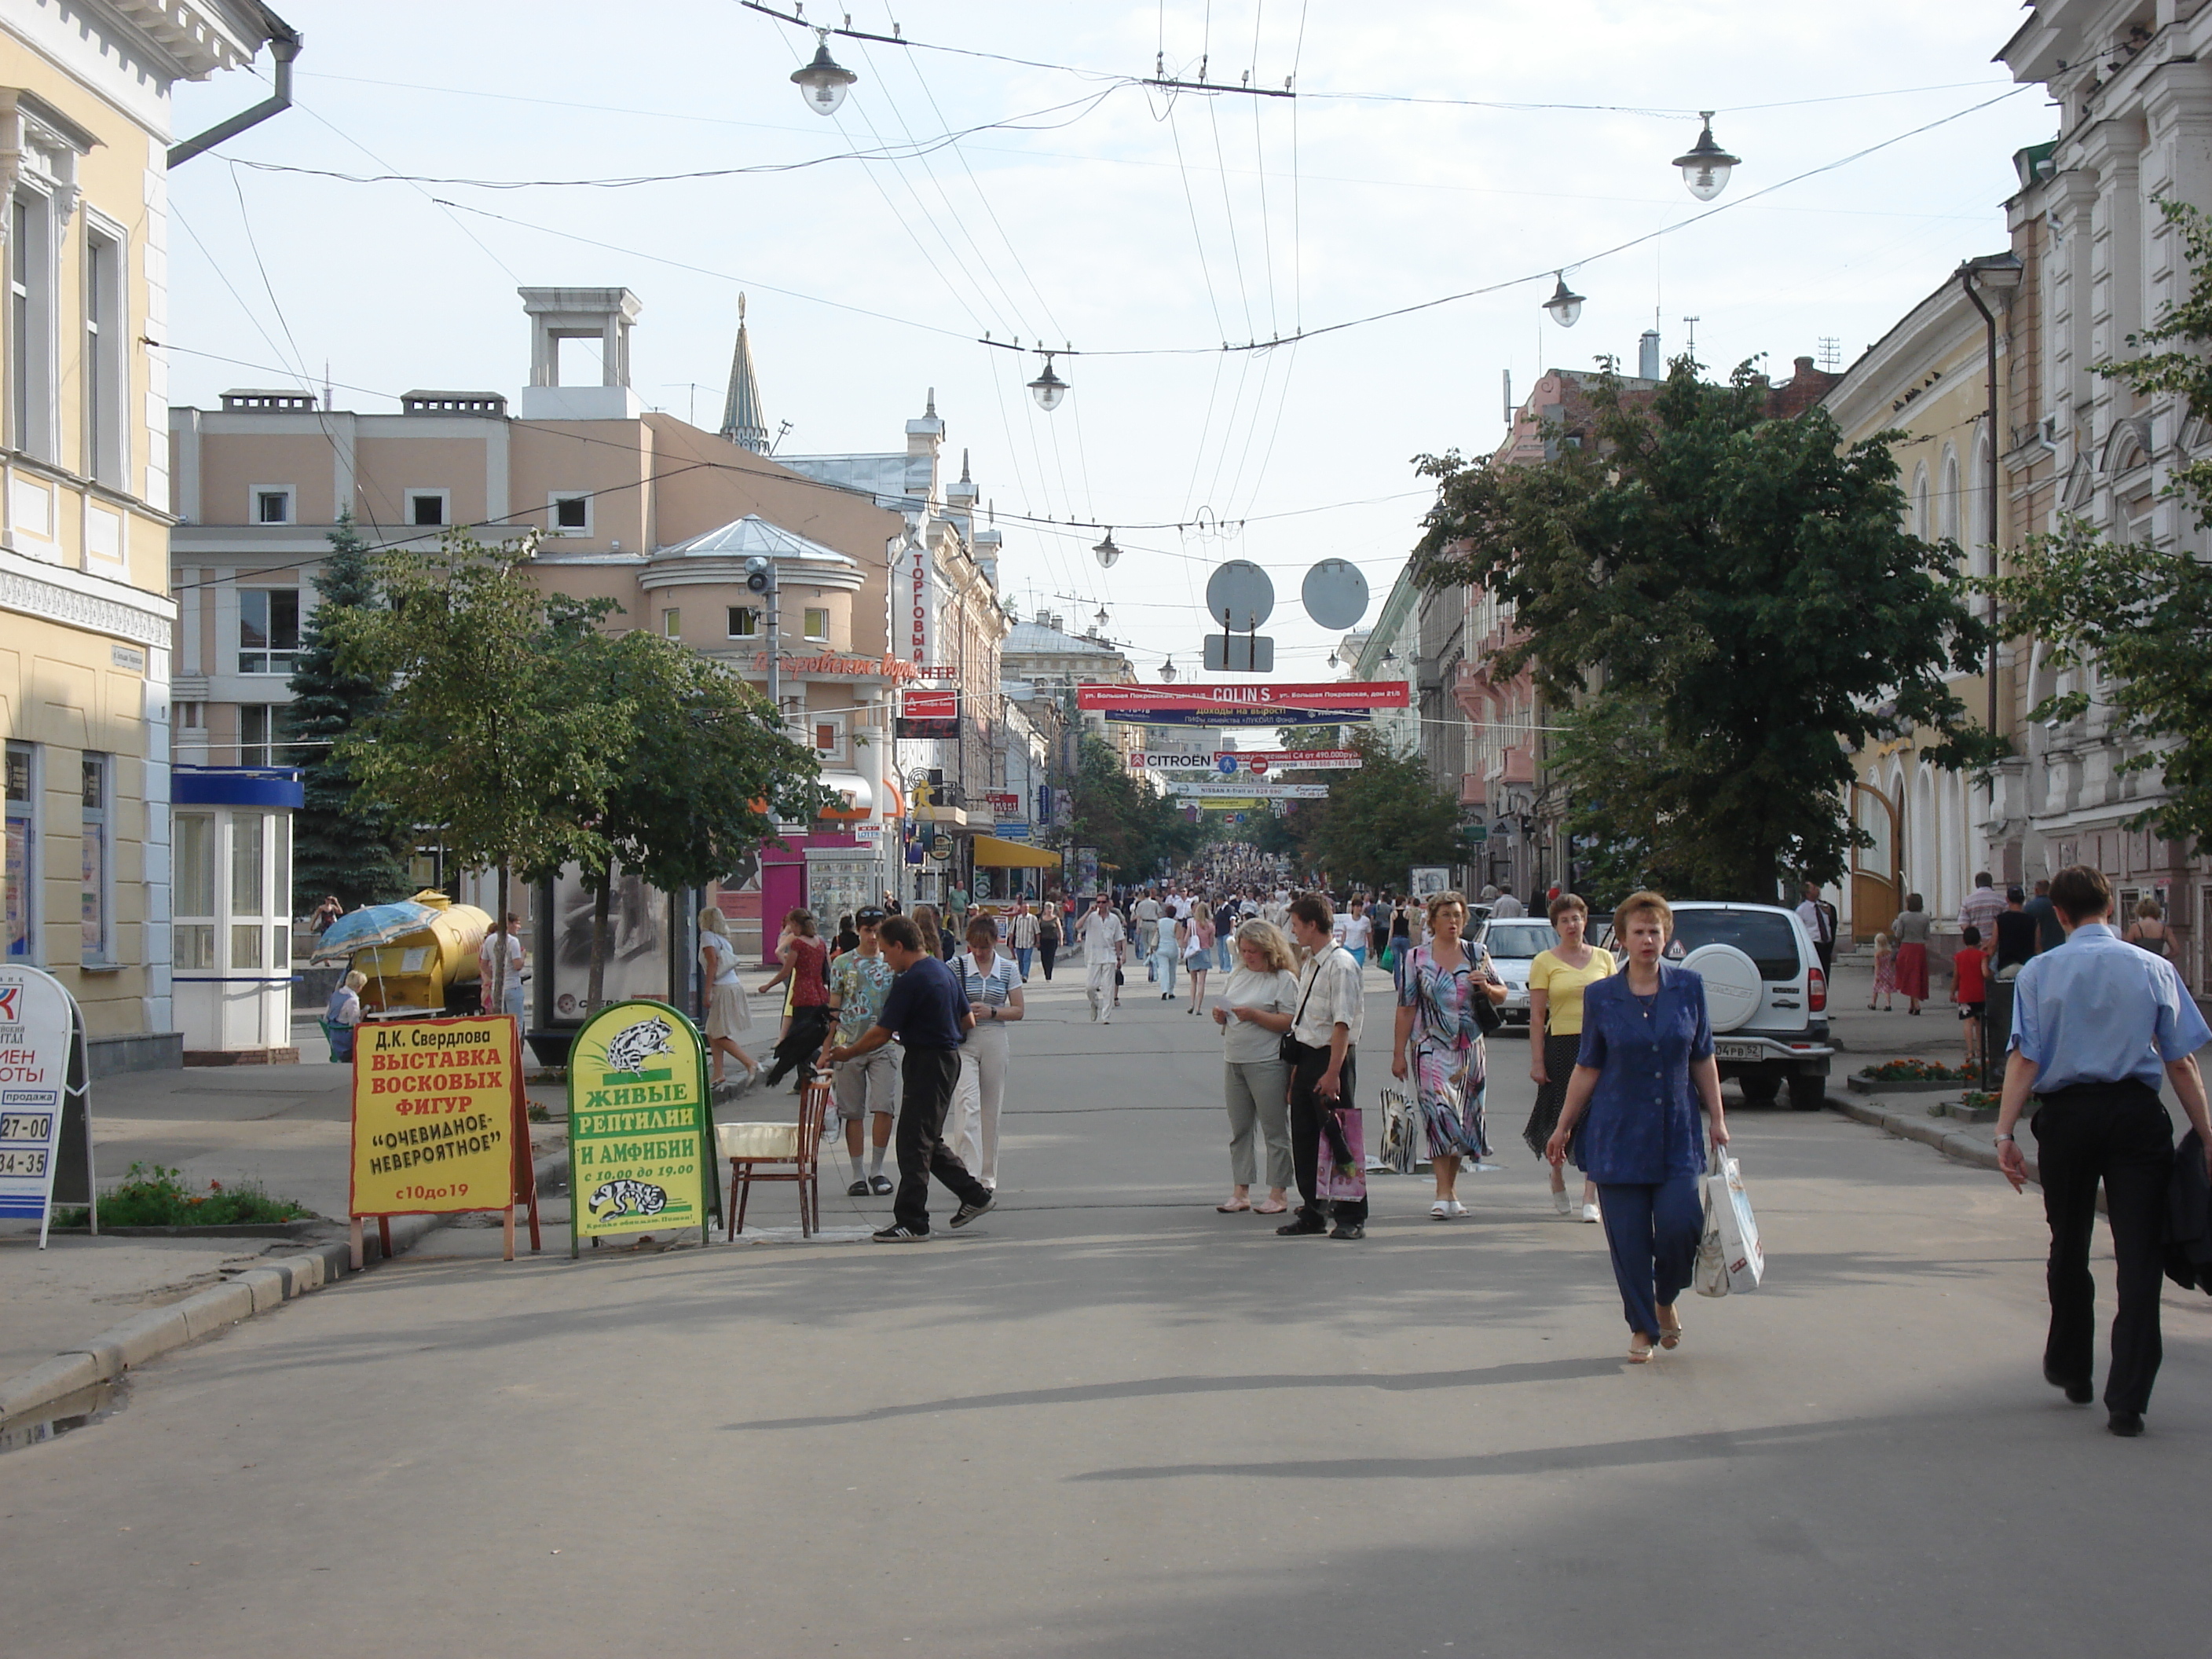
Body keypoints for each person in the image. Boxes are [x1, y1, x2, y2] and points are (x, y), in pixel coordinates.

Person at [1993, 863, 2212, 1436]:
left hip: (2066, 1120)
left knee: (2069, 1242)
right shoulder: (2153, 967)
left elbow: (2026, 1058)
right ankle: (2129, 1398)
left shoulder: (2039, 974)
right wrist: (2209, 1138)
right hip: (2137, 1119)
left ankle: (2072, 1367)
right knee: (2139, 1255)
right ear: (2110, 907)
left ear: (2058, 916)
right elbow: (2181, 1060)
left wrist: (2004, 1133)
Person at [1546, 890, 1730, 1363]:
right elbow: (1587, 1066)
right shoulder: (1602, 996)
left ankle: (1665, 1297)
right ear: (1623, 939)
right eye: (1639, 931)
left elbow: (1702, 1056)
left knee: (1680, 1228)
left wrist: (1718, 1120)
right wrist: (1563, 1127)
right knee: (1628, 1242)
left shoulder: (1688, 987)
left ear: (1667, 936)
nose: (1648, 939)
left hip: (1676, 1132)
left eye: (1656, 930)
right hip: (1617, 1135)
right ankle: (1643, 1329)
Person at [826, 915, 995, 1243]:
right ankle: (974, 1195)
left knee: (912, 1143)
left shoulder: (912, 979)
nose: (886, 961)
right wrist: (930, 1029)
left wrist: (849, 1052)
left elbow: (880, 1033)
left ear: (900, 946)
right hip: (944, 1058)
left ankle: (912, 1219)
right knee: (927, 1139)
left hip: (928, 1062)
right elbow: (968, 1021)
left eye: (888, 952)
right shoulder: (941, 970)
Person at [1393, 891, 1508, 1221]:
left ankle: (1452, 1191)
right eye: (1446, 915)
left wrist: (1485, 986)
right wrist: (1398, 1054)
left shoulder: (1476, 953)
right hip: (1430, 1047)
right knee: (1439, 1114)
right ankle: (1442, 1193)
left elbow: (1501, 994)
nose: (1453, 922)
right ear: (1432, 920)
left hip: (1469, 1049)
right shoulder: (1416, 958)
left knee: (1463, 1120)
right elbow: (1405, 1008)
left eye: (1458, 915)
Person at [1279, 894, 1369, 1241]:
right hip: (1306, 1056)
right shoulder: (1312, 962)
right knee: (1305, 1137)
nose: (1295, 931)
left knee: (1340, 1136)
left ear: (1313, 925)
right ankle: (1313, 1209)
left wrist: (1333, 1073)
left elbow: (1342, 1024)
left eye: (1298, 925)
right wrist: (1295, 1076)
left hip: (1331, 1058)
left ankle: (1351, 1214)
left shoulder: (1341, 965)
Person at [1523, 892, 1617, 1221]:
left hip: (1599, 1046)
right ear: (1556, 927)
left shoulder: (1605, 958)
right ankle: (1557, 1173)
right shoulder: (1545, 962)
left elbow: (1616, 1006)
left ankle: (1591, 1195)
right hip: (1561, 1046)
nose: (1572, 925)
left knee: (1598, 1119)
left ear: (1585, 920)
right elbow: (1537, 1017)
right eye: (1565, 920)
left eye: (1576, 918)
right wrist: (1538, 1061)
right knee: (1561, 1119)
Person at [1212, 919, 1301, 1215]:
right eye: (1243, 950)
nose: (1247, 956)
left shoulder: (1283, 979)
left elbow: (1290, 1021)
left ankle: (1278, 1191)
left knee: (1274, 1128)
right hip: (1234, 1056)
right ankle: (1241, 1190)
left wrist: (1254, 1015)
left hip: (1267, 1060)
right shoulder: (1238, 974)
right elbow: (1227, 1010)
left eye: (1252, 951)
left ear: (1268, 950)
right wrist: (1221, 1015)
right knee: (1240, 1129)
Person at [822, 906, 900, 1197]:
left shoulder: (890, 963)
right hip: (848, 1045)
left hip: (883, 1044)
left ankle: (877, 1169)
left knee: (884, 1106)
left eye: (877, 930)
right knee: (852, 1111)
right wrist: (826, 1048)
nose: (873, 936)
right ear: (858, 931)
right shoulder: (842, 964)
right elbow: (834, 1007)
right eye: (867, 930)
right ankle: (857, 1173)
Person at [945, 915, 1023, 1191]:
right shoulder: (955, 967)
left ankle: (987, 1176)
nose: (979, 952)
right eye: (975, 947)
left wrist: (992, 1011)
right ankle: (967, 1176)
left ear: (995, 943)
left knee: (991, 1109)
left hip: (994, 1037)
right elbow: (943, 1002)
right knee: (967, 1105)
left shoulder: (1007, 968)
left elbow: (1018, 1010)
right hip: (965, 1040)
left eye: (985, 947)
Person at [759, 908, 832, 1091]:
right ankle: (803, 1079)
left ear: (797, 925)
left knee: (799, 1039)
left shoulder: (798, 944)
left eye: (791, 924)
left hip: (803, 994)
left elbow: (787, 970)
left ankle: (820, 1063)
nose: (790, 928)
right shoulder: (820, 943)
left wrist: (768, 986)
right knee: (810, 1035)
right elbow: (827, 968)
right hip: (820, 994)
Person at [698, 907, 758, 1090]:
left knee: (717, 1033)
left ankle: (749, 1062)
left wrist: (707, 991)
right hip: (732, 985)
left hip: (721, 988)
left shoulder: (707, 937)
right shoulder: (724, 940)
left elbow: (712, 964)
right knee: (713, 1031)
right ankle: (718, 1073)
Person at [1077, 892, 1127, 1024]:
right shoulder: (1091, 917)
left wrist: (1119, 957)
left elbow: (1118, 939)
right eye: (1098, 902)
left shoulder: (1114, 919)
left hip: (1109, 956)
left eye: (1103, 902)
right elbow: (1078, 926)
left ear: (1108, 903)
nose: (1100, 905)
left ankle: (1106, 1016)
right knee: (1090, 987)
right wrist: (1088, 911)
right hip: (1093, 956)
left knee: (1108, 987)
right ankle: (1094, 1004)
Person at [478, 912, 526, 1021]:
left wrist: (494, 976)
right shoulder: (513, 941)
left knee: (501, 1022)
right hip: (513, 986)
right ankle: (516, 1039)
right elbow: (517, 965)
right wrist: (523, 956)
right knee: (516, 1022)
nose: (519, 927)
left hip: (497, 988)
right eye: (517, 923)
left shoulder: (489, 940)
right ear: (508, 924)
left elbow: (483, 964)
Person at [1890, 895, 1934, 1015]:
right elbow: (1927, 936)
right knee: (1916, 974)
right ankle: (1912, 1005)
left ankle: (1916, 1004)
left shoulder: (1903, 916)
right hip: (1920, 948)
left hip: (1907, 947)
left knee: (1908, 975)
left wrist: (1894, 927)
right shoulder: (1925, 918)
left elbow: (1898, 934)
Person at [1953, 925, 1989, 1071]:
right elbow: (1985, 973)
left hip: (1965, 995)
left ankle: (1970, 1051)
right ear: (1979, 939)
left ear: (1963, 940)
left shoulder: (1958, 957)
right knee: (1980, 1022)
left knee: (1968, 1022)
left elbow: (1956, 976)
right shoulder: (1982, 956)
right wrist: (1991, 977)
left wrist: (1952, 992)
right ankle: (1981, 1050)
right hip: (1980, 993)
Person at [1796, 880, 1838, 977]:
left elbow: (1831, 924)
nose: (1818, 890)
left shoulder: (1823, 906)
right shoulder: (1802, 910)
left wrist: (1830, 914)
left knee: (1826, 973)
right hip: (1814, 945)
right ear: (1808, 893)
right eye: (1814, 888)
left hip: (1826, 945)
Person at [1994, 887, 2036, 979]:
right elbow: (2038, 947)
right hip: (2027, 967)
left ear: (2007, 899)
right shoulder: (2033, 920)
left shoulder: (2000, 920)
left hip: (2006, 966)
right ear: (2023, 899)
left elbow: (1993, 944)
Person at [324, 969, 364, 1063]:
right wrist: (363, 1013)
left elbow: (326, 1015)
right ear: (359, 987)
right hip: (345, 1042)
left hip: (334, 1036)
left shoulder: (336, 994)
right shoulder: (353, 1000)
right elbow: (355, 1024)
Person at [1957, 871, 2006, 945]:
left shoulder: (1968, 901)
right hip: (1996, 944)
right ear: (1991, 883)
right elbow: (2005, 923)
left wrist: (1974, 938)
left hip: (1976, 945)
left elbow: (1963, 924)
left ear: (1976, 884)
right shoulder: (2001, 900)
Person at [1185, 906, 1215, 1016]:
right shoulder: (1210, 926)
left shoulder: (1192, 923)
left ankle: (1191, 1004)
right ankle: (1198, 1008)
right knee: (1202, 982)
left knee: (1193, 981)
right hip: (1205, 952)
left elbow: (1186, 939)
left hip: (1194, 952)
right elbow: (1211, 944)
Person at [2023, 877, 2065, 956]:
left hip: (2039, 952)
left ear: (2036, 890)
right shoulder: (2059, 906)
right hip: (2059, 948)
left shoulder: (2029, 907)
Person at [2123, 895, 2174, 960]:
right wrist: (2163, 958)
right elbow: (2175, 951)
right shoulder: (2165, 929)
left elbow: (2127, 948)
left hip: (2141, 962)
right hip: (2157, 963)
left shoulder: (2135, 927)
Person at [1005, 900, 1040, 981]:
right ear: (1021, 909)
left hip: (1029, 943)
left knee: (1026, 959)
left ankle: (1025, 975)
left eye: (1027, 908)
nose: (1026, 909)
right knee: (1020, 960)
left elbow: (1037, 931)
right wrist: (1010, 942)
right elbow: (1011, 932)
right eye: (1024, 908)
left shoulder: (1033, 918)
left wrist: (1038, 942)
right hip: (1019, 943)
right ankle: (1021, 974)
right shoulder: (1017, 919)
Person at [1133, 889, 1163, 982]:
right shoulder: (1155, 903)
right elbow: (1159, 915)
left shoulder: (1140, 904)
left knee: (1145, 944)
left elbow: (1138, 917)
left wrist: (1138, 928)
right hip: (1153, 924)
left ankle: (1148, 959)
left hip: (1144, 924)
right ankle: (1152, 959)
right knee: (1152, 944)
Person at [1339, 896, 1373, 972]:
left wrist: (1371, 948)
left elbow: (1369, 935)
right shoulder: (1346, 919)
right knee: (1347, 969)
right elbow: (1344, 934)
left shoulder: (1365, 921)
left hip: (1359, 948)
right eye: (1357, 907)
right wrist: (1340, 947)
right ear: (1353, 908)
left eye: (1361, 907)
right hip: (1348, 947)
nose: (1359, 909)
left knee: (1357, 968)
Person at [1869, 932, 1899, 1011]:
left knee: (1875, 989)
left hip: (1880, 973)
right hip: (1888, 973)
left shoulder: (1878, 954)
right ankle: (1888, 1004)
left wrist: (1877, 975)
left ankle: (1873, 1004)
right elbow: (1892, 963)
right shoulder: (1890, 953)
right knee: (1887, 989)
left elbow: (1877, 966)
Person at [1036, 903, 1060, 982]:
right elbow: (1038, 931)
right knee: (1044, 958)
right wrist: (1037, 941)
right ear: (1045, 910)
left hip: (1052, 940)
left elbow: (1060, 930)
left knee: (1050, 957)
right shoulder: (1041, 919)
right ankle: (1046, 972)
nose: (1049, 910)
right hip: (1043, 940)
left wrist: (1061, 940)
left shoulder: (1056, 919)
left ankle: (1049, 975)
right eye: (1048, 909)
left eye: (1051, 909)